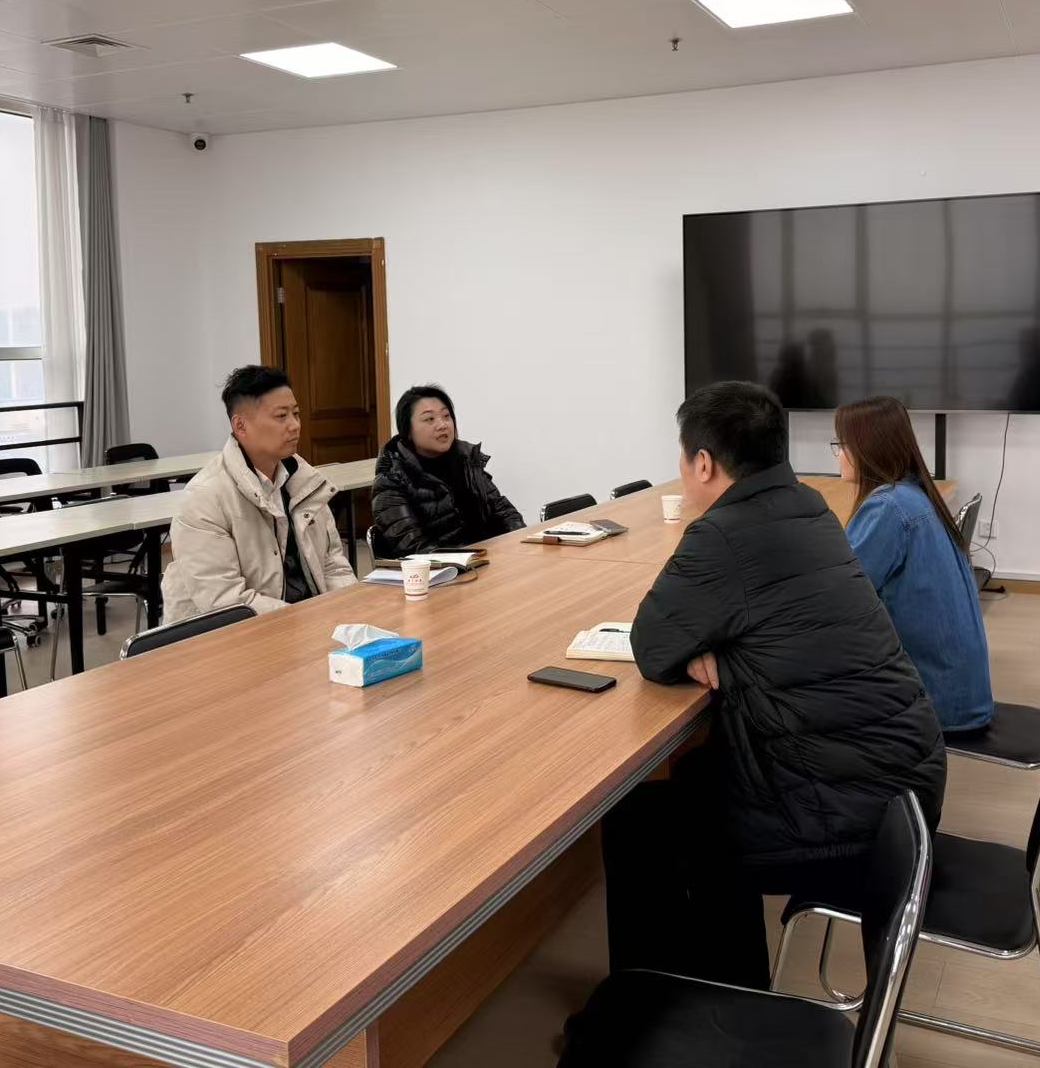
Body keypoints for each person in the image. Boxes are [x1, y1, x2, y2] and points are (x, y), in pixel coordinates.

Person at [605, 381, 945, 990]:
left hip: (848, 814)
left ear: (703, 463)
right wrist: (718, 644)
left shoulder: (723, 533)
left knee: (638, 819)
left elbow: (652, 646)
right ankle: (732, 983)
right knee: (697, 777)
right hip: (904, 784)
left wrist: (706, 646)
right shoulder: (808, 505)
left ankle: (654, 1010)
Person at [835, 395, 994, 733]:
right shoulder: (914, 495)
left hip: (936, 703)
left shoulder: (888, 508)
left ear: (867, 448)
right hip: (960, 690)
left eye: (842, 445)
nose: (838, 454)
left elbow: (840, 598)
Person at [161, 365, 356, 622]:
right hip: (235, 635)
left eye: (296, 414)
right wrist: (305, 622)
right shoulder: (204, 498)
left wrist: (349, 611)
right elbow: (226, 603)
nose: (295, 425)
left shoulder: (305, 482)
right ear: (240, 426)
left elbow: (333, 565)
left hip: (304, 623)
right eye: (281, 416)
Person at [371, 385, 525, 559]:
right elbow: (414, 547)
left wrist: (520, 545)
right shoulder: (391, 479)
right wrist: (471, 560)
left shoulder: (466, 460)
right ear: (407, 431)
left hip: (485, 559)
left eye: (446, 416)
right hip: (443, 570)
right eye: (429, 419)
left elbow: (505, 513)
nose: (442, 425)